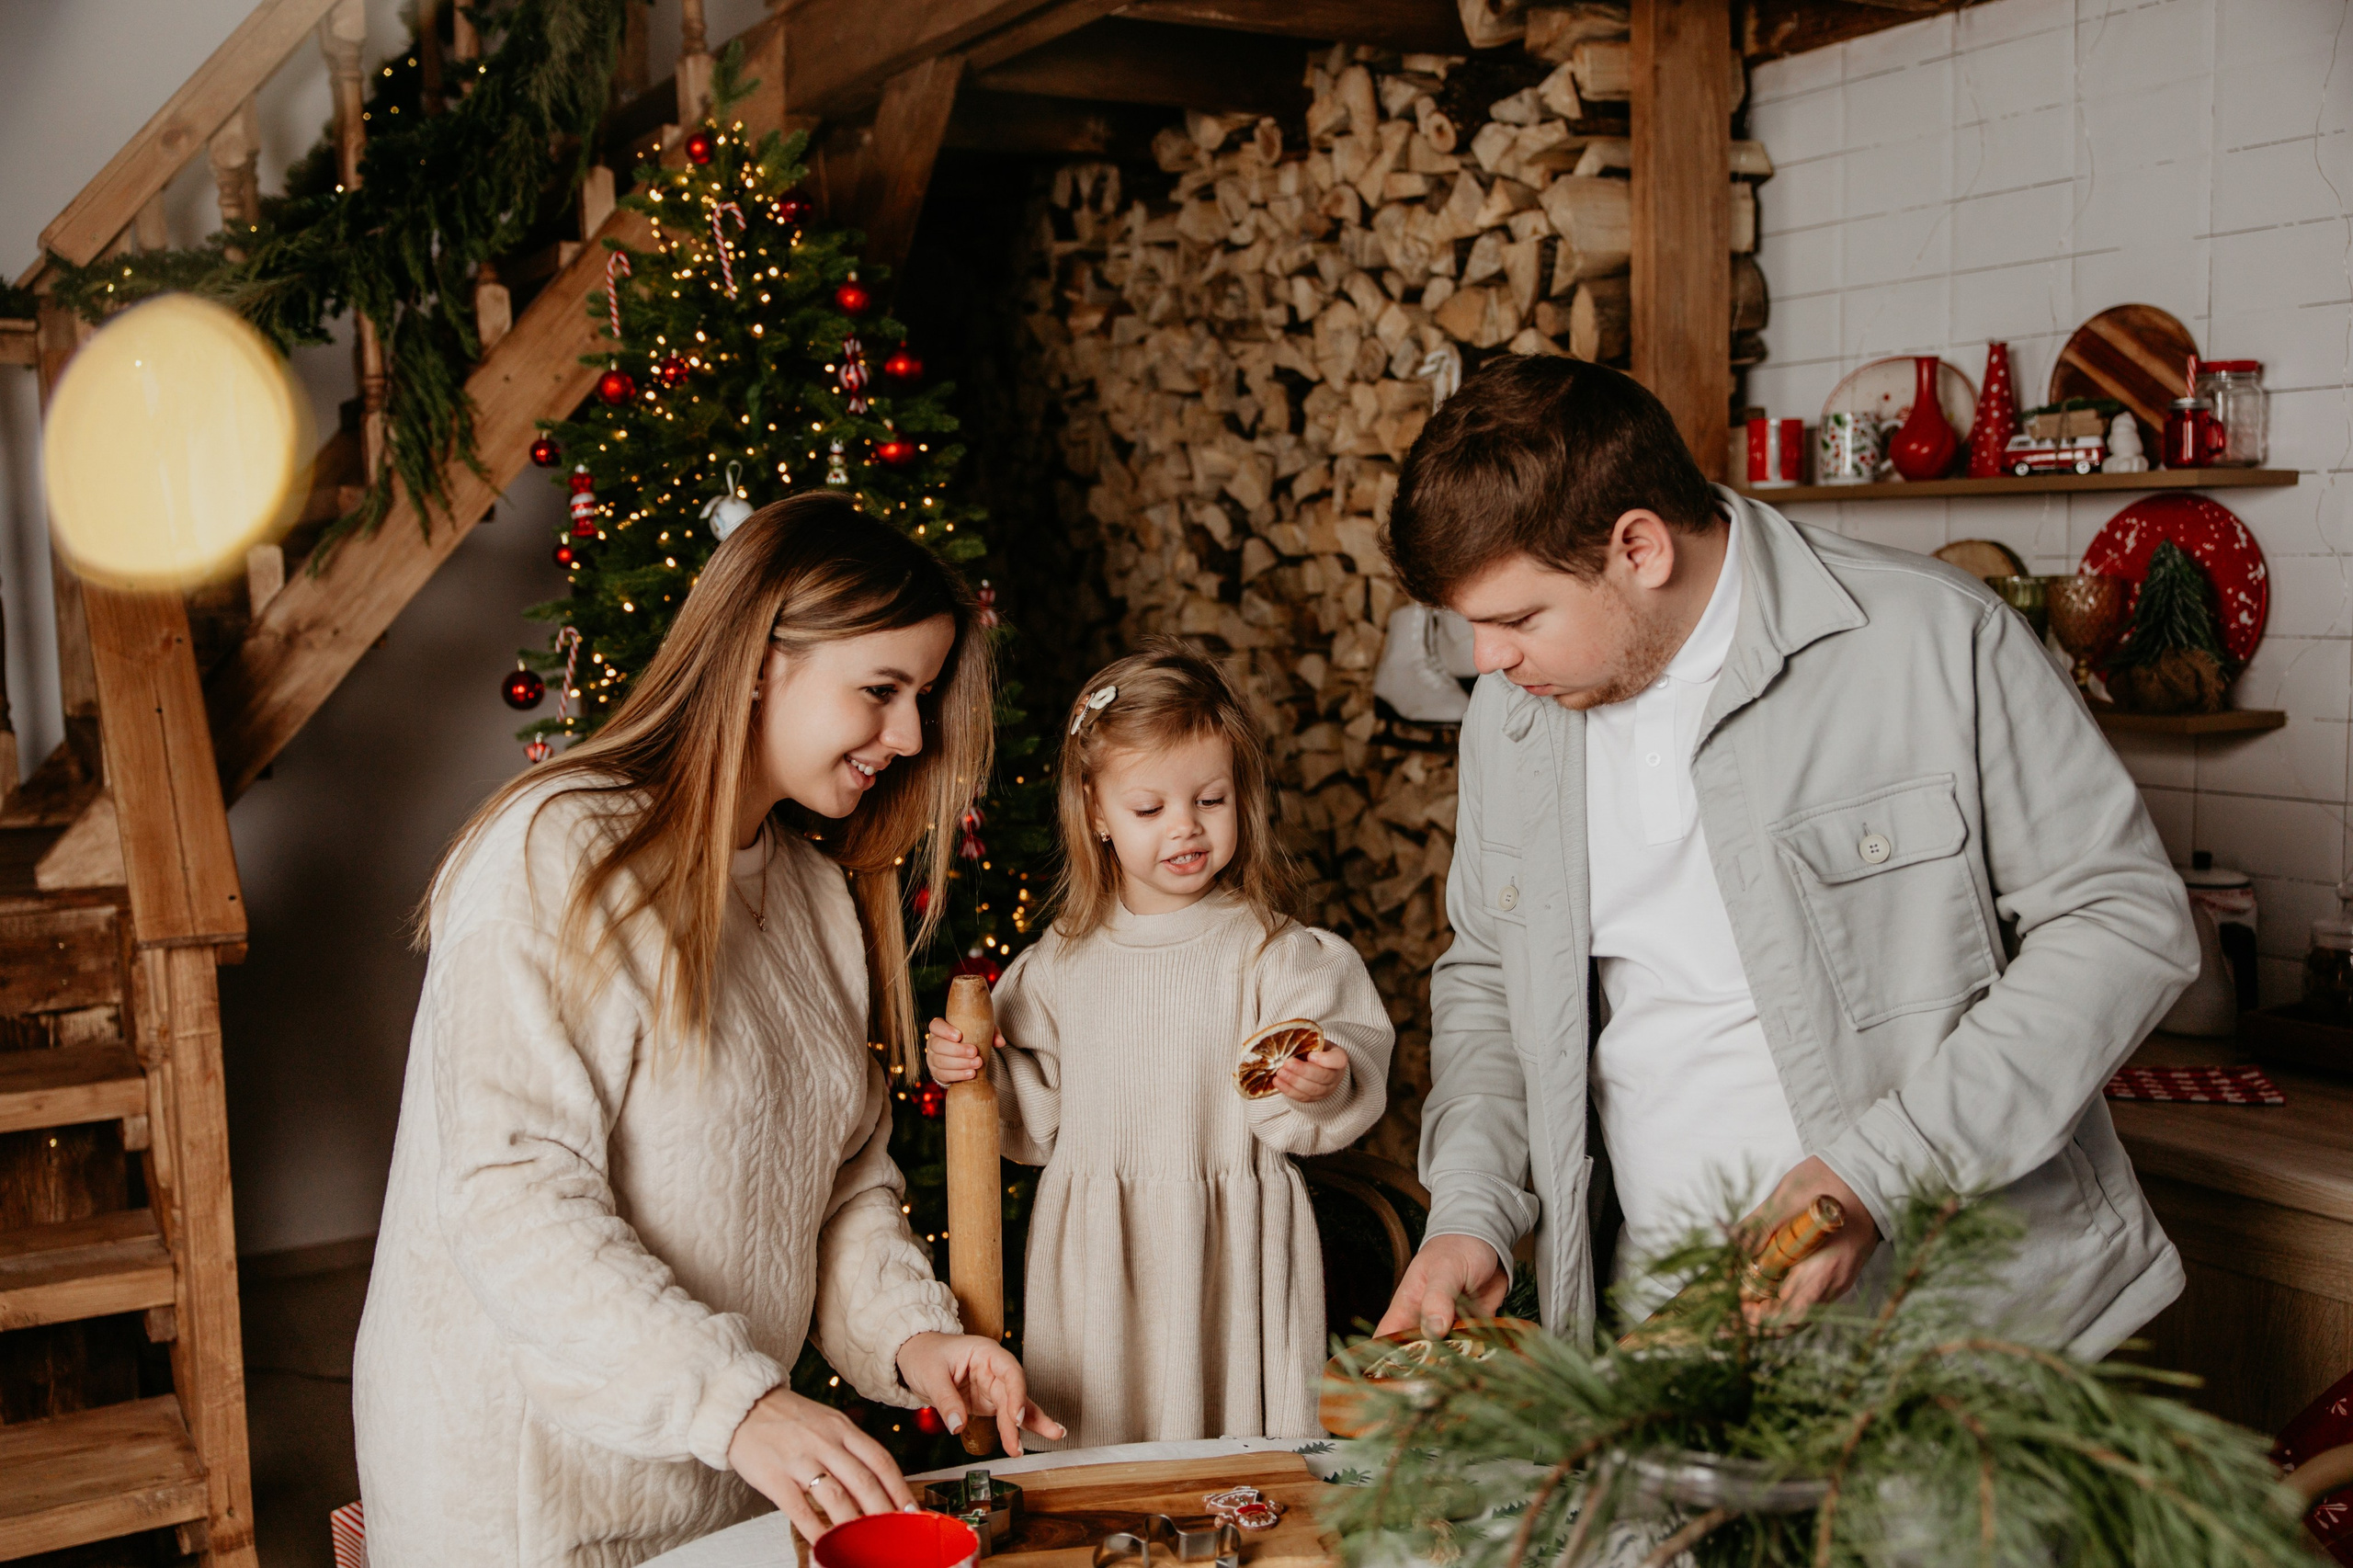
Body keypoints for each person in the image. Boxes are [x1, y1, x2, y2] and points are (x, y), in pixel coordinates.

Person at [1371, 357, 2196, 1355]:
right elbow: (1491, 976)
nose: (1488, 660)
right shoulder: (1514, 712)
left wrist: (1878, 1171)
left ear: (1637, 547)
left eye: (1514, 619)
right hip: (1661, 1334)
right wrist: (1471, 1207)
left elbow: (2121, 922)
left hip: (1959, 1343)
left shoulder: (1935, 637)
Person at [354, 494, 1062, 1568]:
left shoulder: (820, 899)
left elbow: (841, 1186)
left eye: (918, 696)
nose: (910, 735)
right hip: (521, 1501)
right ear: (759, 659)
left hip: (717, 1475)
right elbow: (512, 1192)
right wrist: (737, 1401)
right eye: (881, 689)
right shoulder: (557, 850)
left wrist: (912, 1337)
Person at [925, 638, 1393, 1445]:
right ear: (1096, 811)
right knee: (1104, 1451)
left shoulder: (1272, 951)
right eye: (1151, 809)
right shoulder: (1059, 966)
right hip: (1098, 1261)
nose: (1186, 828)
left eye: (1209, 801)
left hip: (1233, 1249)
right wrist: (972, 1074)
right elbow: (1032, 1113)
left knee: (1240, 1455)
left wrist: (1323, 1078)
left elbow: (1333, 1042)